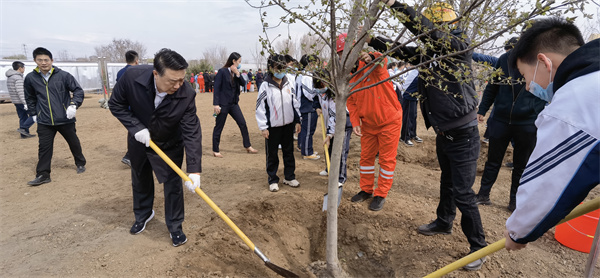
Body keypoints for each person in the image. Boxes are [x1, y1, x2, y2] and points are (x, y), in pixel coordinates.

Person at [368, 1, 487, 269]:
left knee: (463, 193)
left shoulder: (458, 46)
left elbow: (429, 32)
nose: (428, 34)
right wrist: (373, 40)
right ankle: (444, 222)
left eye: (435, 28)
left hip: (464, 135)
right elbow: (405, 52)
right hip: (446, 133)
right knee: (447, 182)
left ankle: (478, 247)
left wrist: (395, 6)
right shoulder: (434, 52)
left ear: (446, 26)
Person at [504, 18, 599, 251]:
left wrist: (518, 232)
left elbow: (549, 182)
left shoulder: (577, 98)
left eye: (526, 77)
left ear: (543, 62)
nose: (528, 87)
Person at [108, 48, 202, 247]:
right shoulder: (131, 78)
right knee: (140, 178)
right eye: (172, 81)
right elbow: (116, 104)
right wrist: (136, 128)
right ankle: (143, 214)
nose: (178, 85)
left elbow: (192, 131)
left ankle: (175, 226)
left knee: (173, 185)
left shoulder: (186, 94)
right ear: (156, 74)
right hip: (140, 139)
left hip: (170, 142)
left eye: (181, 80)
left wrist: (194, 170)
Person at [474, 37, 546, 212]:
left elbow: (548, 92)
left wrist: (539, 114)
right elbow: (492, 86)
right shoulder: (505, 59)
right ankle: (483, 194)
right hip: (501, 119)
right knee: (493, 160)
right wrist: (482, 109)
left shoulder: (541, 63)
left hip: (528, 122)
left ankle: (515, 201)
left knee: (522, 165)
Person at [338, 33, 403, 212]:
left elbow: (381, 60)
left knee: (386, 159)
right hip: (368, 124)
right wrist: (356, 121)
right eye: (340, 54)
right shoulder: (348, 76)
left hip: (389, 121)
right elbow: (350, 101)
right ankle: (366, 189)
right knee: (366, 158)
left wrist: (372, 57)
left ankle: (381, 193)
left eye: (347, 53)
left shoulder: (372, 65)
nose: (344, 57)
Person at [24, 47, 86, 186]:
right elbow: (30, 97)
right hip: (44, 120)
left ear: (52, 60)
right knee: (44, 147)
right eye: (40, 60)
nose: (43, 62)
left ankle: (80, 163)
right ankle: (43, 174)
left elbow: (78, 91)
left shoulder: (63, 76)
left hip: (64, 118)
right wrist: (33, 113)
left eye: (46, 60)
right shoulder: (30, 78)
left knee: (73, 142)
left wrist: (73, 104)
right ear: (35, 61)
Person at [255, 54, 301, 192]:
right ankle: (273, 179)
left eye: (283, 68)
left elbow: (295, 102)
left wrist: (297, 120)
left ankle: (289, 177)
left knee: (289, 152)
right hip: (272, 127)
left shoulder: (289, 82)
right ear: (271, 68)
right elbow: (260, 107)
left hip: (288, 124)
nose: (280, 71)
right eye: (277, 68)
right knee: (272, 154)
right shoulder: (265, 86)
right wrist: (263, 127)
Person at [212, 52, 258, 158]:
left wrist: (237, 73)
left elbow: (243, 83)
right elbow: (217, 89)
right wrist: (216, 104)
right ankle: (215, 149)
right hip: (223, 104)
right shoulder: (222, 72)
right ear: (233, 61)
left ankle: (248, 146)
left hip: (233, 104)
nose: (240, 64)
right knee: (219, 126)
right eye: (239, 62)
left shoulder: (237, 72)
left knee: (242, 123)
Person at [313, 70, 353, 186]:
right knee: (329, 149)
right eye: (318, 86)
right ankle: (329, 168)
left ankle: (340, 178)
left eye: (322, 85)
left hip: (342, 125)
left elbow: (334, 116)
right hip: (329, 124)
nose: (320, 88)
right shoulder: (320, 92)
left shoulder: (335, 96)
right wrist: (316, 107)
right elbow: (315, 98)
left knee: (340, 151)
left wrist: (330, 134)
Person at [116, 50, 139, 167]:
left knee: (132, 131)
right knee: (136, 131)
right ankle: (129, 156)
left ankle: (131, 155)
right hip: (136, 107)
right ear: (137, 60)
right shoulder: (137, 71)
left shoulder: (120, 72)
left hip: (124, 108)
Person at [296, 54, 321, 160]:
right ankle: (307, 152)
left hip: (305, 107)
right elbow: (310, 94)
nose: (317, 66)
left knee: (305, 129)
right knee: (308, 130)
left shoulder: (304, 75)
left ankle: (305, 147)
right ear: (310, 64)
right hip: (308, 107)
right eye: (316, 64)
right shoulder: (306, 77)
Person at [6, 61, 35, 139]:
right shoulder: (17, 77)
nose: (24, 69)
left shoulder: (10, 77)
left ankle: (24, 134)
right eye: (23, 67)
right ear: (20, 68)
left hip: (16, 101)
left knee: (23, 117)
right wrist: (25, 102)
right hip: (21, 101)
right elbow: (20, 91)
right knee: (35, 114)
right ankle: (23, 128)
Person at [398, 63, 421, 146]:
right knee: (408, 117)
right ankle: (404, 137)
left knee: (413, 116)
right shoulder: (416, 73)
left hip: (414, 97)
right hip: (408, 96)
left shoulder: (420, 72)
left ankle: (412, 134)